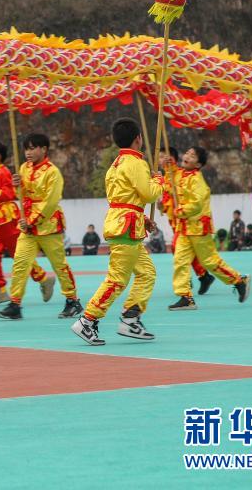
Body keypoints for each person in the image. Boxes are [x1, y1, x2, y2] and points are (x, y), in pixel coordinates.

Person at [72, 118, 164, 345]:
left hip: (124, 223)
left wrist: (143, 218)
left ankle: (131, 317)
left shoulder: (116, 163)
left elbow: (124, 199)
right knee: (117, 279)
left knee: (147, 273)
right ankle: (88, 319)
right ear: (138, 139)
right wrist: (159, 181)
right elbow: (148, 194)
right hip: (127, 228)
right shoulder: (136, 162)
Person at [0, 133, 81, 321]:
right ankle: (15, 304)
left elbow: (51, 202)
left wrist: (32, 219)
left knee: (59, 265)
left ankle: (72, 300)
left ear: (44, 149)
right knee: (20, 263)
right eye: (26, 148)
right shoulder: (23, 168)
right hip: (28, 227)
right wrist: (17, 185)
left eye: (33, 148)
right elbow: (23, 195)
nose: (28, 152)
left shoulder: (53, 172)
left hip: (48, 226)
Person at [167, 146, 250, 311]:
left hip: (198, 227)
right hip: (184, 228)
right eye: (187, 153)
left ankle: (239, 281)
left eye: (192, 155)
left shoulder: (197, 179)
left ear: (198, 165)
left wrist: (181, 211)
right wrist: (166, 172)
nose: (188, 155)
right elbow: (171, 187)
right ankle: (185, 296)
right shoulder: (179, 174)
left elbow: (197, 203)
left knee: (210, 261)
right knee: (180, 261)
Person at [0, 141, 48, 306]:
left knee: (18, 254)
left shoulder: (2, 172)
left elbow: (8, 194)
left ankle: (43, 279)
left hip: (7, 219)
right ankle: (0, 289)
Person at [159, 147, 210, 294]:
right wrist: (161, 206)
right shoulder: (166, 177)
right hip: (176, 220)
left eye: (164, 156)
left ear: (173, 158)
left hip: (186, 219)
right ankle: (202, 276)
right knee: (186, 251)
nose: (161, 159)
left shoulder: (179, 174)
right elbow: (167, 200)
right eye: (160, 157)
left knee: (179, 249)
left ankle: (192, 281)